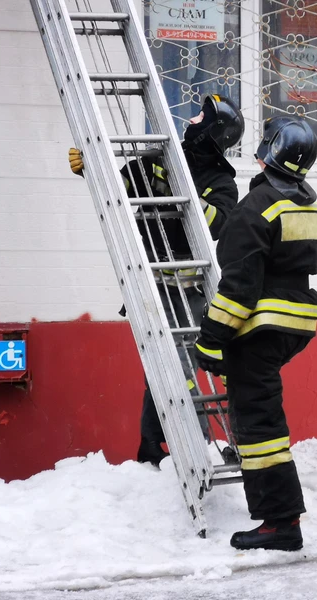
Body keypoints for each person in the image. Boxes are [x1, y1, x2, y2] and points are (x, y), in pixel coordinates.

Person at [69, 94, 244, 466]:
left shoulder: (220, 181)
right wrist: (91, 169)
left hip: (189, 289)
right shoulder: (159, 159)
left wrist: (177, 195)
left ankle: (204, 445)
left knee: (196, 364)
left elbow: (218, 223)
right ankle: (164, 446)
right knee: (164, 366)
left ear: (213, 131)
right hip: (151, 286)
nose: (192, 119)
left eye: (201, 116)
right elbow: (118, 190)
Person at [194, 116, 317, 551]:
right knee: (263, 415)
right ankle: (281, 518)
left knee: (260, 426)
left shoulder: (255, 207)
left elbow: (238, 288)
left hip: (258, 329)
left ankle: (280, 522)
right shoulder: (308, 205)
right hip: (293, 327)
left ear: (269, 151)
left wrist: (211, 339)